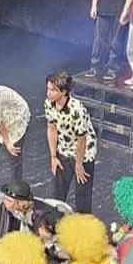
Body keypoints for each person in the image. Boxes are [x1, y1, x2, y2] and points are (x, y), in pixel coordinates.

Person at [0, 182, 72, 264]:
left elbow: (65, 252)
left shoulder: (43, 218)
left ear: (20, 203)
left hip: (61, 251)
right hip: (37, 243)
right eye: (5, 199)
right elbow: (6, 239)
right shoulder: (11, 208)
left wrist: (48, 241)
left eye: (9, 201)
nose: (5, 203)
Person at [43, 71, 98, 213]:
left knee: (82, 197)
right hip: (64, 149)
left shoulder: (77, 110)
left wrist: (79, 164)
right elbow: (51, 128)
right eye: (48, 89)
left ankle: (83, 222)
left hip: (83, 153)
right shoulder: (49, 104)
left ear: (64, 92)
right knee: (57, 193)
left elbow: (82, 140)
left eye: (53, 90)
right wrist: (53, 156)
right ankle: (55, 221)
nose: (48, 93)